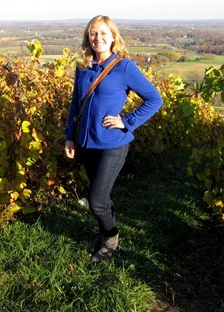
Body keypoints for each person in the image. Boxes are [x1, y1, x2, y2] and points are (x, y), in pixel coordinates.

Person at [64, 15, 163, 263]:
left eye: (103, 33)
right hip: (86, 143)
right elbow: (75, 104)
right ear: (88, 38)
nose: (97, 38)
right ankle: (103, 235)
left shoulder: (124, 67)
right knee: (100, 196)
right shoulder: (83, 67)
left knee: (96, 201)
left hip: (113, 144)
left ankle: (111, 238)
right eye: (93, 33)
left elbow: (154, 99)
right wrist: (69, 137)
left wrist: (126, 121)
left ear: (113, 37)